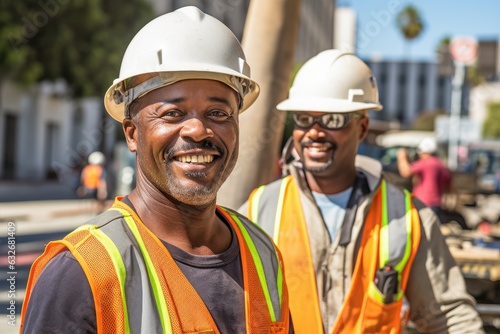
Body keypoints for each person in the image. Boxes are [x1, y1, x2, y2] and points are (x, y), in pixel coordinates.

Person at [20, 7, 291, 333]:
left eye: (218, 112)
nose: (198, 130)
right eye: (173, 113)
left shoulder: (263, 254)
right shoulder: (82, 272)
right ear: (133, 133)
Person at [240, 50, 484, 333]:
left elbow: (448, 317)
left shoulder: (409, 217)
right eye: (304, 118)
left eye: (332, 120)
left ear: (362, 127)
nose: (314, 132)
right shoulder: (259, 209)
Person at [397, 138, 469, 229]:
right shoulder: (441, 165)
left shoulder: (426, 163)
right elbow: (450, 186)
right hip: (436, 205)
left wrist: (402, 157)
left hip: (422, 204)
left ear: (424, 152)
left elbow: (405, 172)